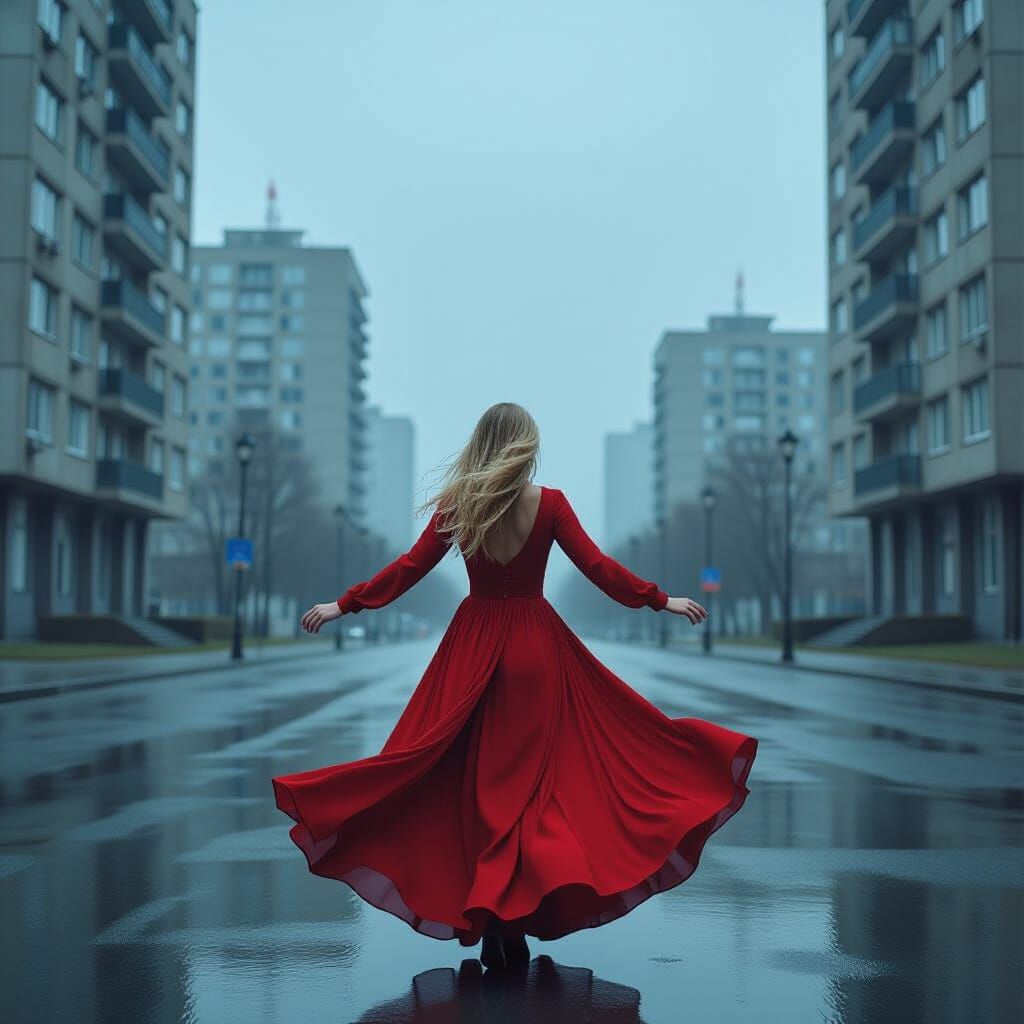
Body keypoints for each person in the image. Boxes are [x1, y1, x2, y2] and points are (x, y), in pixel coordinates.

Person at [272, 402, 758, 971]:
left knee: (474, 785)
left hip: (473, 646)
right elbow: (597, 567)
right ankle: (513, 918)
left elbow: (409, 568)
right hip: (534, 649)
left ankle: (491, 914)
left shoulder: (460, 504)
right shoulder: (549, 504)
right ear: (525, 444)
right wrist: (659, 599)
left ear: (481, 443)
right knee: (531, 791)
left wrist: (345, 604)